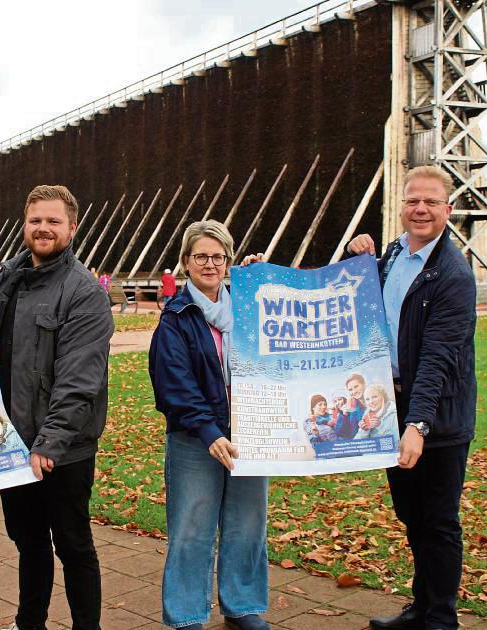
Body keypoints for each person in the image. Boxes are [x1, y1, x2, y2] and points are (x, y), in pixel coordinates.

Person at [346, 165, 477, 630]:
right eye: (412, 201)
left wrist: (417, 426)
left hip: (436, 417)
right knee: (411, 514)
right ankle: (421, 608)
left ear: (448, 209)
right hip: (391, 406)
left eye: (431, 202)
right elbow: (356, 305)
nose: (420, 209)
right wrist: (356, 255)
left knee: (439, 520)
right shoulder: (395, 255)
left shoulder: (453, 275)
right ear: (401, 206)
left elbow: (438, 358)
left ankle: (440, 619)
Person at [0, 185, 114, 630]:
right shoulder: (6, 282)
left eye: (53, 221)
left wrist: (49, 445)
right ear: (25, 224)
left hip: (64, 450)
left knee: (73, 544)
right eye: (36, 220)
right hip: (13, 444)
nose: (43, 229)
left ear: (72, 228)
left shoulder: (83, 292)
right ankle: (29, 622)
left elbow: (80, 381)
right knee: (28, 543)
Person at [148, 220, 270, 630]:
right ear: (186, 262)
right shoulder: (177, 317)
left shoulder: (250, 307)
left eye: (218, 257)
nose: (210, 264)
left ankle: (243, 606)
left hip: (251, 431)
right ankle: (186, 615)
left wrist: (264, 276)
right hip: (195, 440)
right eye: (201, 256)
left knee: (248, 525)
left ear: (228, 262)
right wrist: (208, 430)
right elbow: (173, 384)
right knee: (191, 529)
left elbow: (288, 323)